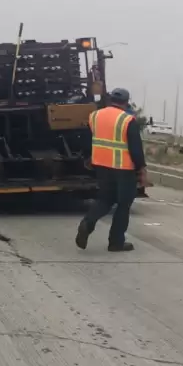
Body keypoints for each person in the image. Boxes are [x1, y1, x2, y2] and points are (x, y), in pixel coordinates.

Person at [76, 87, 146, 252]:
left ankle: (88, 222)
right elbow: (136, 149)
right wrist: (141, 169)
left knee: (105, 200)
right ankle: (116, 242)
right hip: (123, 168)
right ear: (126, 102)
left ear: (110, 100)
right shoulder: (128, 120)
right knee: (123, 204)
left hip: (101, 165)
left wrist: (88, 157)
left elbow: (88, 139)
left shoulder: (95, 116)